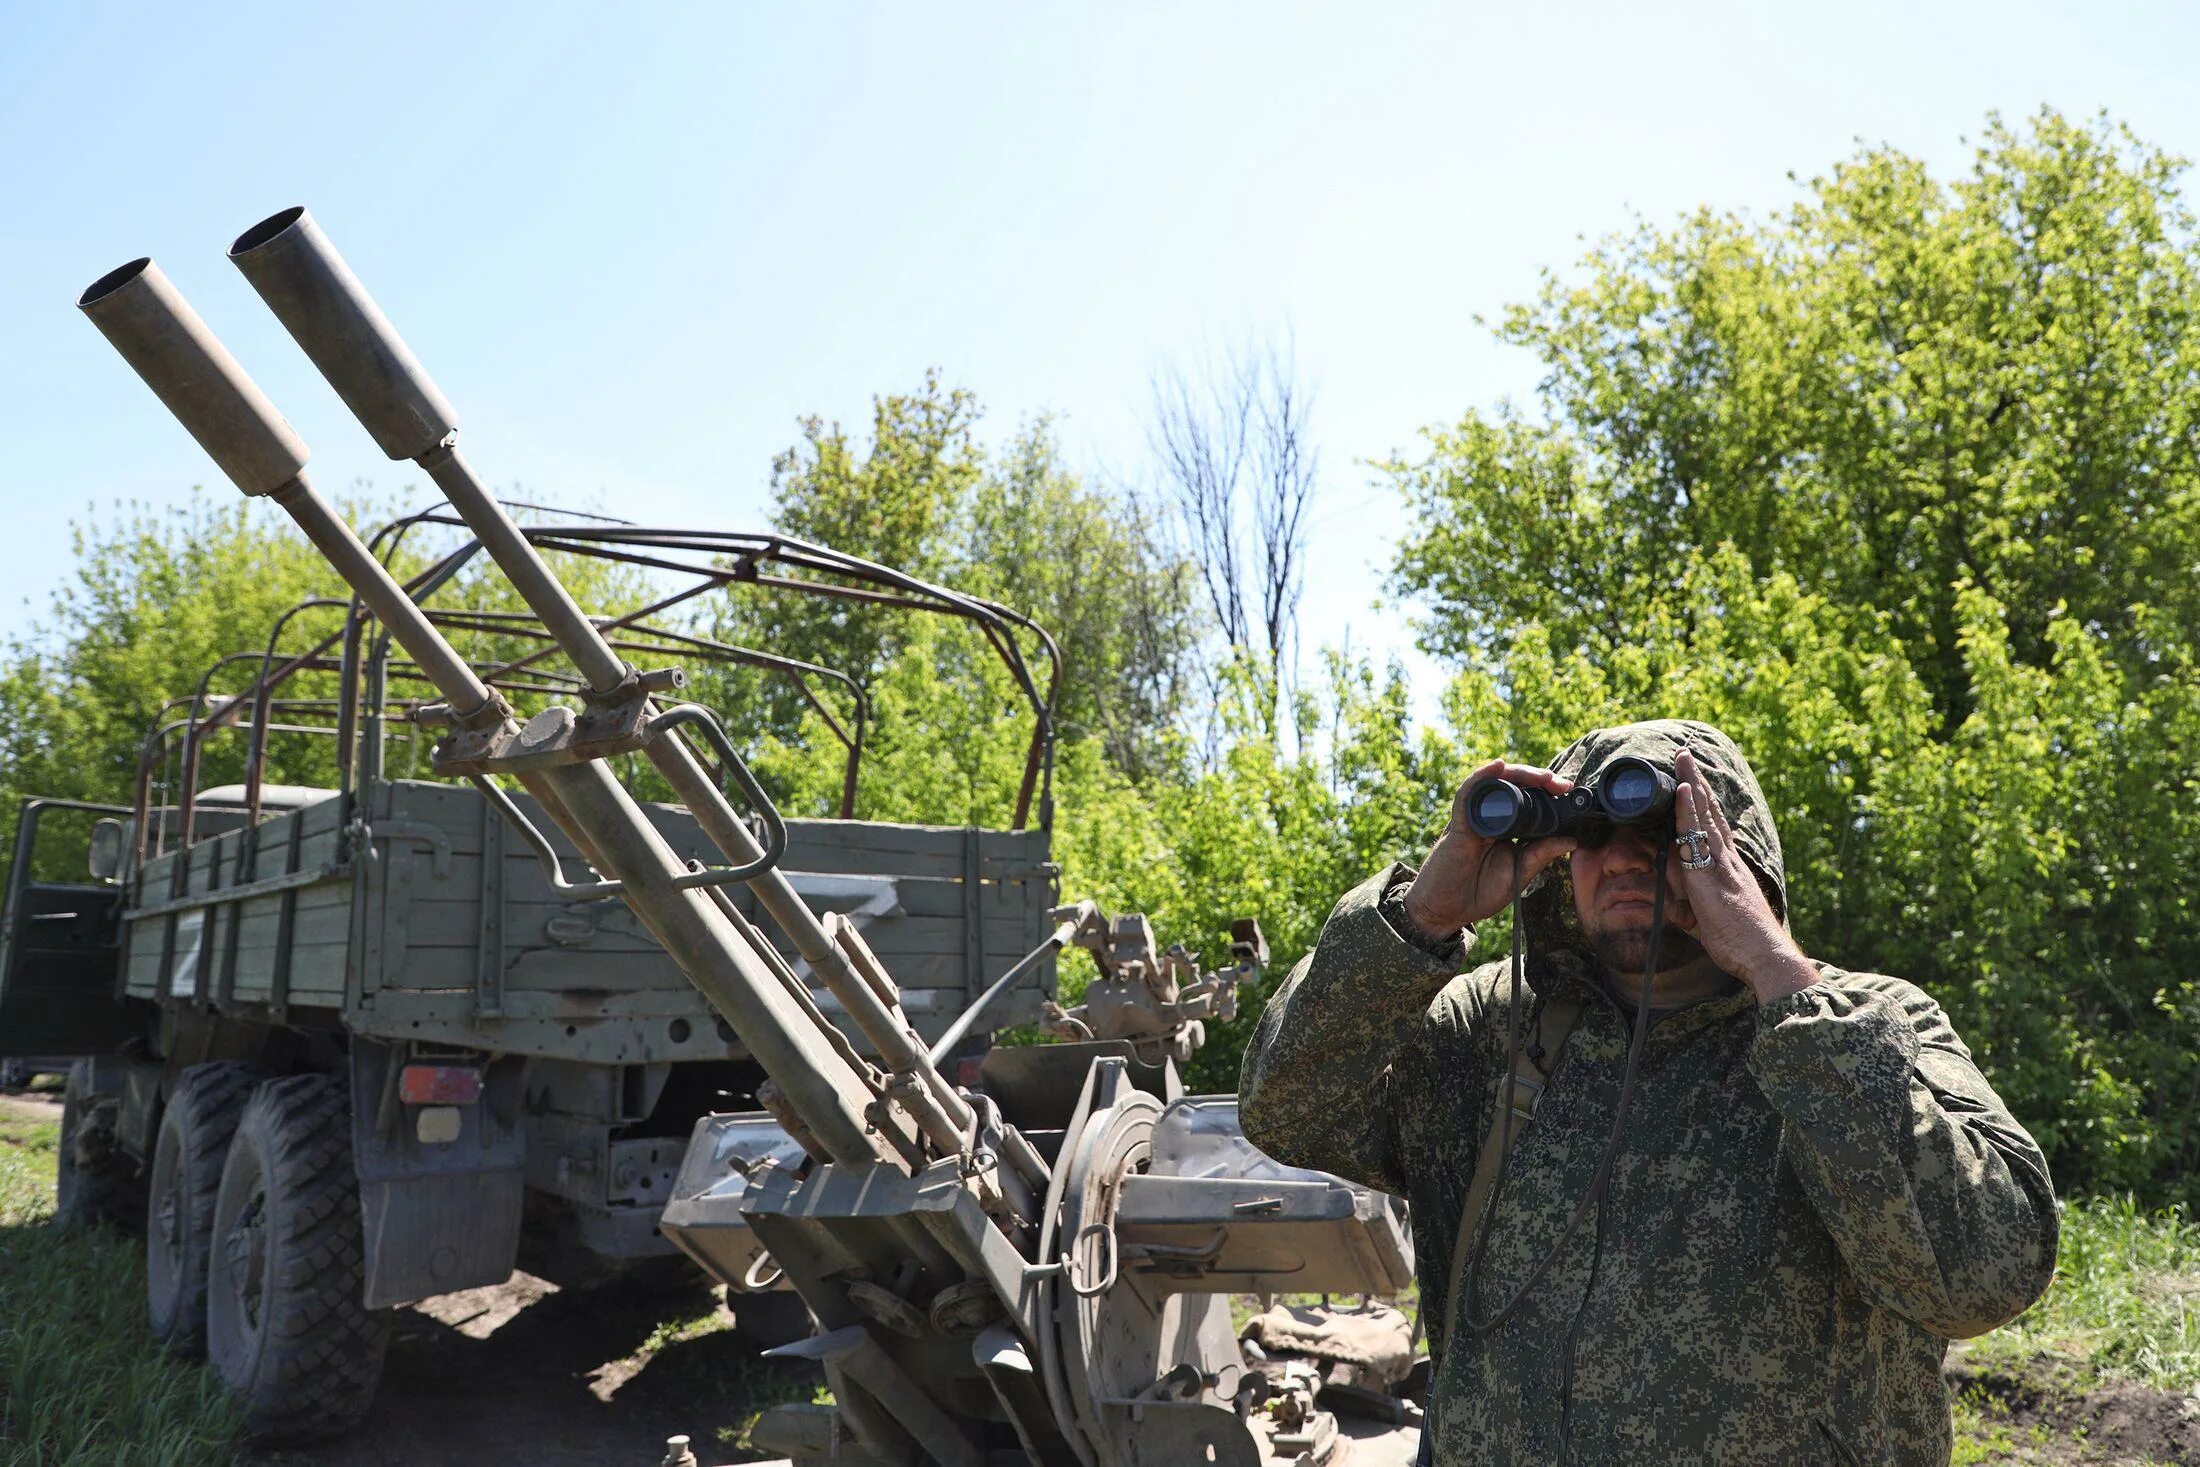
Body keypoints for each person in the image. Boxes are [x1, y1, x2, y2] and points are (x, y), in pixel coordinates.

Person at [1239, 719, 2058, 1465]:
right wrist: (1421, 916)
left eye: (1663, 832)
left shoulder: (1866, 1024)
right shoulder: (1489, 1027)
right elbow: (1288, 1107)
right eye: (1591, 834)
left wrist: (1780, 977)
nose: (1623, 858)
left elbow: (1983, 1275)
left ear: (1734, 853)